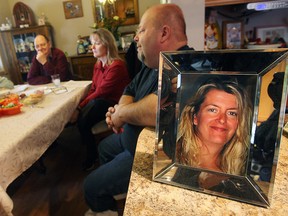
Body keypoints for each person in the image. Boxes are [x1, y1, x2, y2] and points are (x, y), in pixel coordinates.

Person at [83, 4, 189, 216]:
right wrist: (118, 113)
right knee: (104, 148)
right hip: (130, 141)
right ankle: (124, 196)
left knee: (90, 188)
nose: (135, 38)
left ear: (164, 33)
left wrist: (120, 114)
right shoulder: (151, 65)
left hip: (152, 157)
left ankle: (117, 199)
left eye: (141, 30)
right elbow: (129, 88)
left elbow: (158, 108)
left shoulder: (186, 65)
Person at [69, 28, 130, 170]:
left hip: (114, 104)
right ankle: (89, 149)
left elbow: (101, 92)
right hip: (101, 101)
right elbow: (93, 88)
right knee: (87, 111)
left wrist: (79, 108)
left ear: (107, 44)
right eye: (92, 43)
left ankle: (91, 155)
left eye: (96, 43)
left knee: (92, 106)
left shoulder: (117, 66)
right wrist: (80, 105)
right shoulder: (98, 64)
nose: (92, 47)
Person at [176, 78, 252, 175]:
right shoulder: (170, 157)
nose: (222, 119)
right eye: (213, 110)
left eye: (232, 113)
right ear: (195, 117)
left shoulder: (239, 173)